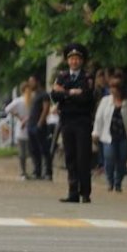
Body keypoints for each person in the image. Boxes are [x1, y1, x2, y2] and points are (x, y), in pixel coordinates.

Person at [51, 44, 96, 203]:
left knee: (83, 157)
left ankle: (85, 192)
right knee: (70, 156)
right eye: (71, 58)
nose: (74, 61)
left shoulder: (87, 77)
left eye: (77, 59)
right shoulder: (62, 76)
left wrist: (64, 92)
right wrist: (71, 92)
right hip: (67, 120)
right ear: (67, 61)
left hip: (82, 120)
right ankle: (72, 192)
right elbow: (54, 96)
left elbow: (86, 97)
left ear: (81, 61)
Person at [94, 69, 127, 193]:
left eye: (116, 87)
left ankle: (118, 183)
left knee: (122, 160)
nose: (113, 89)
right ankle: (110, 181)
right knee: (109, 158)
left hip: (124, 135)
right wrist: (95, 133)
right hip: (108, 136)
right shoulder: (105, 101)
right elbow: (99, 118)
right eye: (111, 86)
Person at [5, 78, 35, 180]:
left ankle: (24, 172)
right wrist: (21, 117)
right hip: (27, 127)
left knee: (24, 152)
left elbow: (7, 109)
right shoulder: (27, 100)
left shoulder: (23, 100)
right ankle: (26, 171)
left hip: (23, 126)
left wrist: (19, 117)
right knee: (27, 151)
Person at [28, 77, 53, 180]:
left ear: (37, 82)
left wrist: (40, 123)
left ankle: (48, 172)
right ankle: (37, 171)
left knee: (44, 149)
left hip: (39, 125)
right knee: (34, 150)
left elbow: (46, 109)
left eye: (32, 82)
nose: (30, 84)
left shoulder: (44, 94)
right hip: (31, 124)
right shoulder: (33, 95)